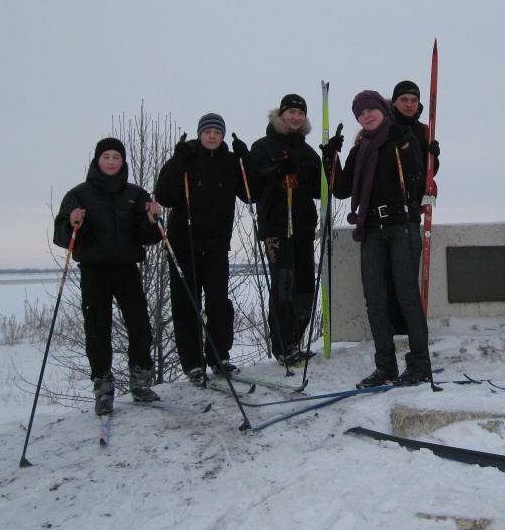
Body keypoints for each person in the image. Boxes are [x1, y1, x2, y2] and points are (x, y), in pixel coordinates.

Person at [53, 137, 163, 415]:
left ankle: (140, 383)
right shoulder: (79, 195)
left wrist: (152, 221)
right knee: (97, 331)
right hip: (94, 270)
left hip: (127, 269)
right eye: (107, 157)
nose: (112, 161)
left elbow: (148, 237)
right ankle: (103, 388)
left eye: (116, 157)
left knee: (140, 327)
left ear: (123, 161)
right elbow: (64, 237)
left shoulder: (136, 194)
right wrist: (74, 223)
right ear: (97, 160)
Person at [332, 90, 433, 388]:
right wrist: (331, 158)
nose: (366, 116)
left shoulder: (402, 137)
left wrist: (405, 145)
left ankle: (418, 365)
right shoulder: (360, 148)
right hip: (372, 229)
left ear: (382, 110)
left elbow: (416, 180)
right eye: (360, 114)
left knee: (407, 297)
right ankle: (385, 367)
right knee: (375, 299)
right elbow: (341, 190)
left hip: (402, 225)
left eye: (370, 110)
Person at [155, 113, 260, 383]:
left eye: (217, 132)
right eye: (208, 131)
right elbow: (164, 197)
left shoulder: (230, 161)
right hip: (184, 245)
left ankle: (218, 356)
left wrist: (245, 156)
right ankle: (193, 363)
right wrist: (179, 159)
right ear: (200, 134)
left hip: (216, 246)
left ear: (223, 135)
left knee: (218, 304)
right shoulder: (185, 157)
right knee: (187, 304)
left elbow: (252, 195)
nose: (212, 136)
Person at [251, 94, 323, 367]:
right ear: (280, 115)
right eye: (291, 112)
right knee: (284, 286)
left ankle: (295, 339)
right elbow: (254, 183)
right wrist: (276, 170)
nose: (295, 117)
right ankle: (282, 345)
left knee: (305, 287)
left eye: (300, 113)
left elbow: (321, 189)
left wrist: (331, 159)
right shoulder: (262, 146)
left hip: (303, 227)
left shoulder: (308, 151)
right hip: (276, 228)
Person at [386, 80, 440, 332]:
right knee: (389, 274)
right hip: (388, 210)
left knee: (408, 271)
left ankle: (408, 327)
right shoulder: (386, 126)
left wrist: (434, 156)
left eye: (413, 100)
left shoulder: (422, 130)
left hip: (412, 209)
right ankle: (392, 325)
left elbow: (427, 174)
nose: (409, 104)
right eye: (404, 100)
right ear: (394, 102)